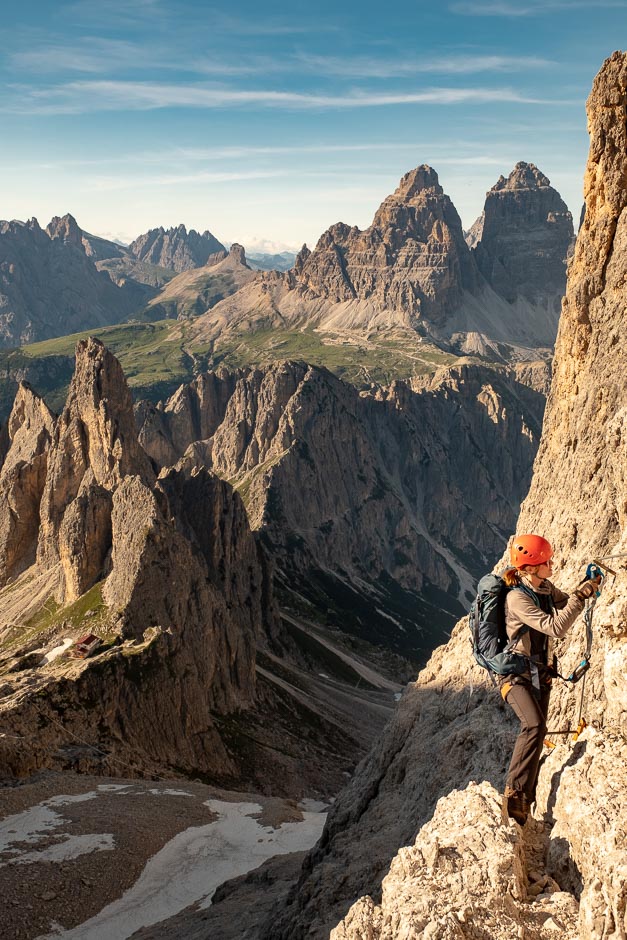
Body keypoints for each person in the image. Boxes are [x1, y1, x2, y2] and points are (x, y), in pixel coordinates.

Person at [500, 534, 601, 825]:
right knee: (531, 724)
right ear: (531, 567)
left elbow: (567, 602)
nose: (552, 564)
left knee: (540, 729)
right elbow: (555, 627)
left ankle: (526, 801)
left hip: (538, 673)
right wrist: (580, 598)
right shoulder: (517, 598)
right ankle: (514, 795)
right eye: (547, 561)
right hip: (515, 675)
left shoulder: (543, 588)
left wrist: (587, 586)